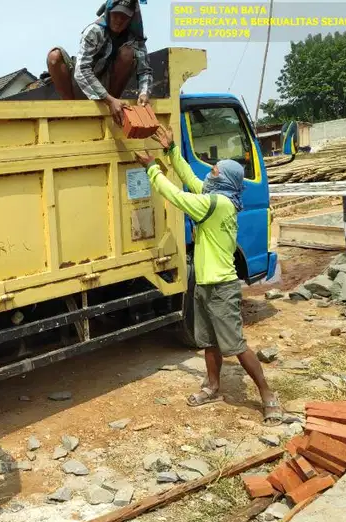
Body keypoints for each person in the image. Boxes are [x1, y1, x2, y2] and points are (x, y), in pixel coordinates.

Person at [134, 128, 283, 424]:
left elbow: (176, 194)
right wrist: (172, 150)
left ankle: (268, 395)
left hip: (221, 288)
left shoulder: (216, 205)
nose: (210, 173)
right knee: (209, 342)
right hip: (203, 284)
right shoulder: (217, 199)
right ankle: (213, 386)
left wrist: (151, 167)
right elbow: (190, 180)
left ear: (224, 179)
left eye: (215, 170)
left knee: (236, 345)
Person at [47, 0, 153, 126]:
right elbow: (81, 70)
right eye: (115, 15)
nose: (119, 20)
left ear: (131, 18)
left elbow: (145, 70)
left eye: (124, 17)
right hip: (79, 83)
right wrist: (108, 100)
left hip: (107, 84)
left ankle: (114, 105)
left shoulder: (135, 38)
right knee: (54, 56)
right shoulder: (94, 31)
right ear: (108, 12)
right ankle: (72, 109)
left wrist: (144, 93)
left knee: (128, 53)